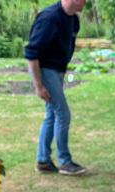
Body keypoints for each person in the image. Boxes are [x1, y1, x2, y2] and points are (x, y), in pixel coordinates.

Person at [24, 0, 88, 175]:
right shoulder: (49, 17)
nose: (87, 1)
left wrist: (62, 71)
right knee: (63, 114)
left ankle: (43, 160)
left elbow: (66, 49)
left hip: (55, 70)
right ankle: (65, 162)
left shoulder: (73, 20)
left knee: (52, 114)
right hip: (43, 68)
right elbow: (31, 53)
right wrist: (39, 85)